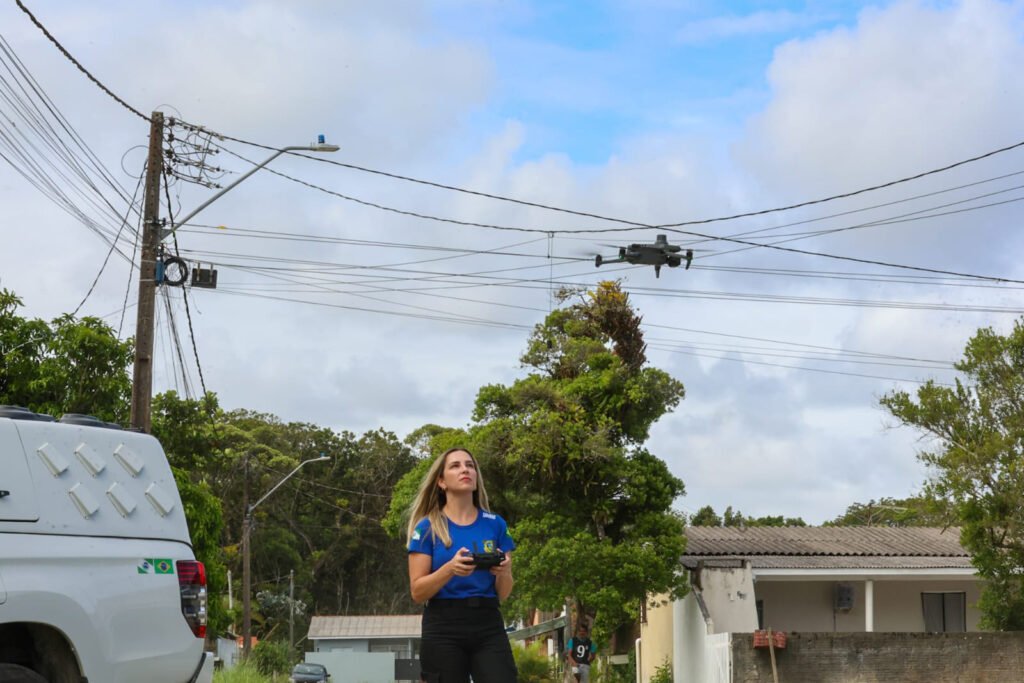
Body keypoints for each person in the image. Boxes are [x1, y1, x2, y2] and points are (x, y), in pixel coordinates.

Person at [407, 447, 518, 683]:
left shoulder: (495, 524)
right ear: (441, 482)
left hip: (488, 622)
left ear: (476, 477)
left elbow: (504, 593)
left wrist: (505, 572)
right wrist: (450, 569)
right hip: (443, 625)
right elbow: (417, 592)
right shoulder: (426, 528)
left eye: (470, 465)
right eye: (455, 466)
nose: (465, 470)